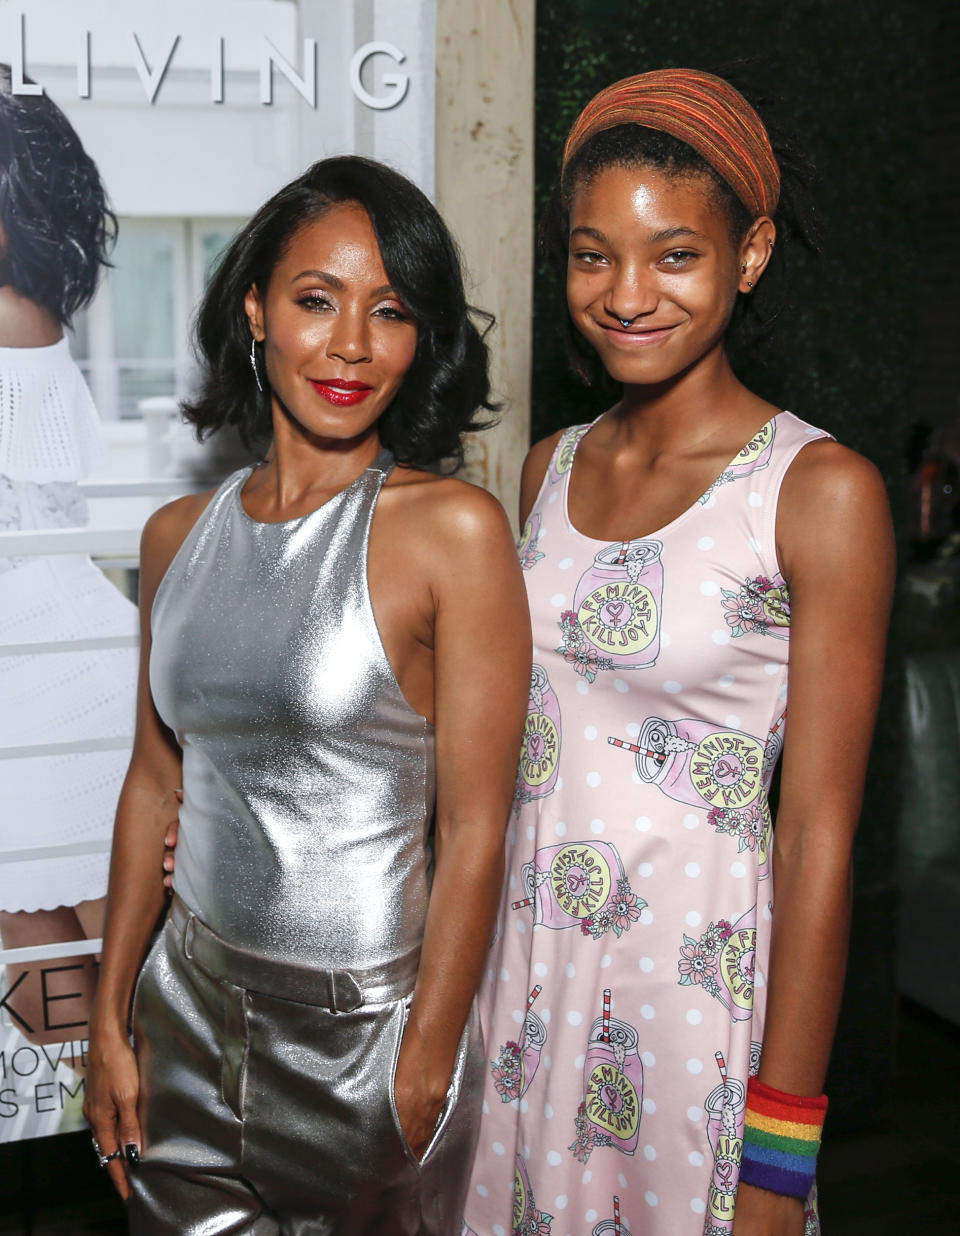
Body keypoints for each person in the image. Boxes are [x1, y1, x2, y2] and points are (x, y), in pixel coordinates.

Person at [463, 70, 893, 1236]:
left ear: (749, 255)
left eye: (675, 256)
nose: (626, 294)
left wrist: (781, 1155)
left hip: (690, 1015)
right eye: (594, 255)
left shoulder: (816, 491)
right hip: (518, 999)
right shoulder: (545, 466)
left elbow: (816, 839)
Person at [84, 155, 531, 1234]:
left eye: (390, 312)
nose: (350, 346)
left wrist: (426, 1054)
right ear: (255, 310)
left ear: (421, 338)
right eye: (316, 301)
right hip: (181, 1016)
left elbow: (477, 826)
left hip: (364, 1046)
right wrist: (108, 1020)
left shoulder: (451, 533)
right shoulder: (176, 539)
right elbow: (156, 789)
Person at [0, 65, 138, 1058]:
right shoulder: (32, 320)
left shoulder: (11, 316)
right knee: (63, 1019)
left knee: (104, 1005)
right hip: (37, 677)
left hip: (59, 682)